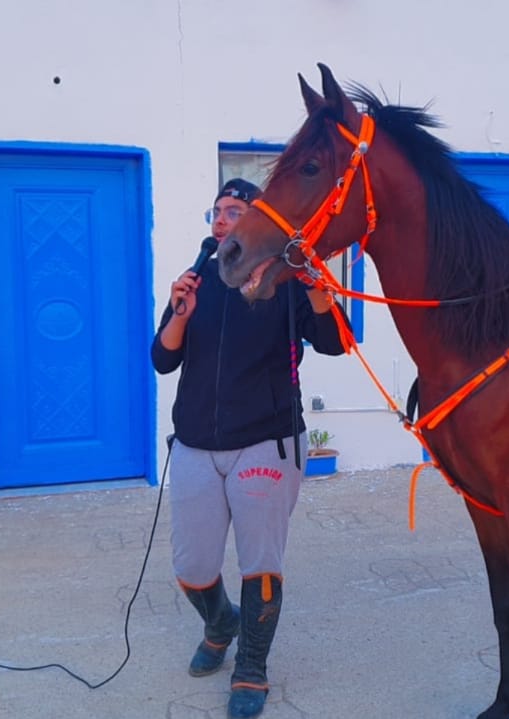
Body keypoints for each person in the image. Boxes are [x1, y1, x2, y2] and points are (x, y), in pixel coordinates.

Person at [150, 178, 347, 718]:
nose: (221, 219)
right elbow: (162, 360)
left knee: (260, 564)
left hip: (267, 440)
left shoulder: (284, 280)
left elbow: (335, 342)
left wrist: (313, 281)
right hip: (195, 443)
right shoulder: (197, 279)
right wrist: (180, 312)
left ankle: (251, 669)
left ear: (258, 220)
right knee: (192, 567)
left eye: (234, 211)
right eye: (217, 211)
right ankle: (221, 623)